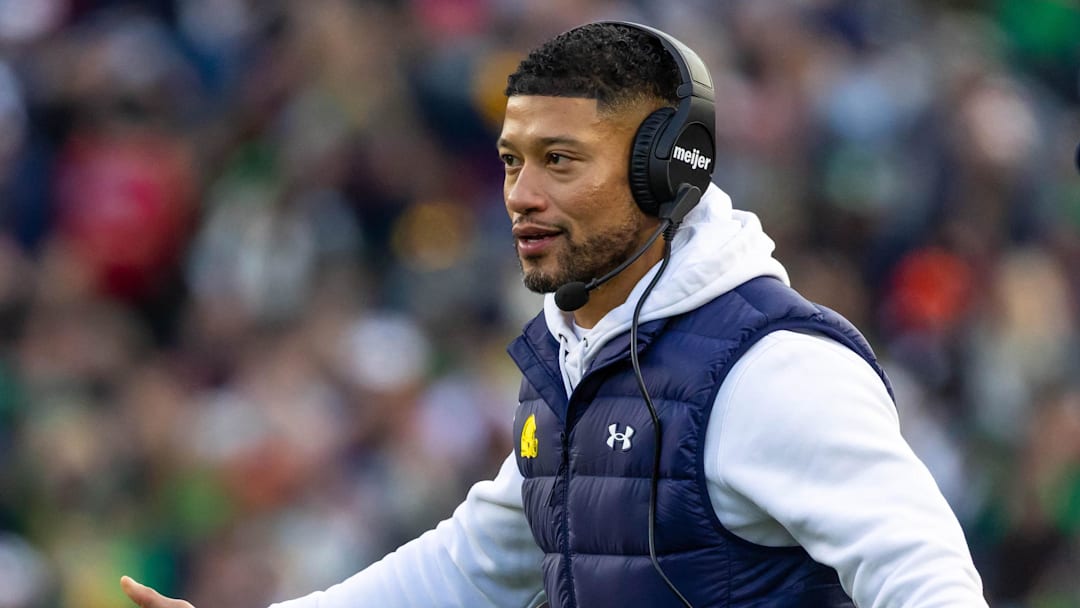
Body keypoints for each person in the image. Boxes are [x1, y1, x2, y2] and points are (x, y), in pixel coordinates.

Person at [121, 21, 987, 608]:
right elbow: (472, 564)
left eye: (560, 161)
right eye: (511, 161)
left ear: (668, 172)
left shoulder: (772, 370)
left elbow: (927, 577)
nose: (521, 197)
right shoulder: (582, 356)